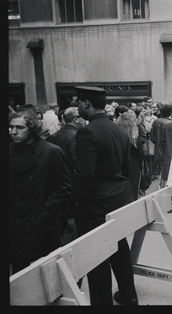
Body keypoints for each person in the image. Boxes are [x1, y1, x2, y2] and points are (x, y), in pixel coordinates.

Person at [72, 86, 138, 305]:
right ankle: (129, 295)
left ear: (86, 103)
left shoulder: (87, 132)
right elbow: (126, 170)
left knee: (97, 259)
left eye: (78, 102)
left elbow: (83, 177)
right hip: (119, 200)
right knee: (120, 249)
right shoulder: (118, 129)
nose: (77, 106)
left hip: (96, 206)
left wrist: (77, 205)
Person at [9, 110, 71, 274]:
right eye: (11, 127)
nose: (13, 132)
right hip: (15, 222)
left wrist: (47, 210)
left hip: (42, 222)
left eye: (19, 128)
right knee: (19, 275)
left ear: (31, 128)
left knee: (47, 272)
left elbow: (64, 186)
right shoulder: (9, 152)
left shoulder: (51, 152)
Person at [46, 107, 85, 245]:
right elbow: (79, 163)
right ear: (75, 119)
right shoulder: (76, 137)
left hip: (57, 185)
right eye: (81, 117)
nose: (83, 119)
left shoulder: (54, 136)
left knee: (62, 222)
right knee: (72, 224)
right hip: (71, 184)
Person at [115, 111, 145, 201]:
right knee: (133, 187)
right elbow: (141, 153)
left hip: (119, 162)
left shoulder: (116, 132)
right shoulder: (134, 136)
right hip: (133, 164)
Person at [150, 104, 172, 179]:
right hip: (167, 149)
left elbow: (152, 136)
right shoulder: (170, 123)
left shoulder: (156, 121)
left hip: (157, 148)